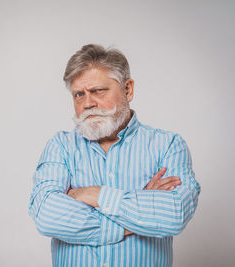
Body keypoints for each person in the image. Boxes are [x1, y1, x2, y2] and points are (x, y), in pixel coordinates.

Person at [28, 44, 201, 267]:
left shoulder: (168, 145)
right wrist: (139, 211)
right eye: (79, 94)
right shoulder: (60, 146)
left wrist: (94, 195)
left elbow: (173, 215)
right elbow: (46, 215)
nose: (87, 103)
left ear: (128, 90)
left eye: (98, 90)